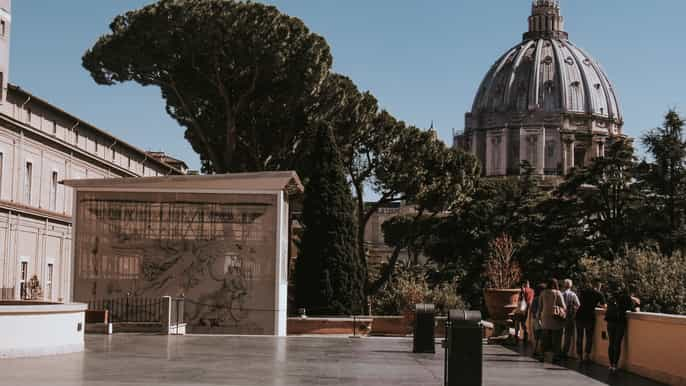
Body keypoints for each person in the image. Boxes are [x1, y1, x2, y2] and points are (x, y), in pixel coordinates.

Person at [605, 287, 640, 372]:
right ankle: (615, 365)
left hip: (610, 322)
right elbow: (633, 309)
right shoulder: (626, 298)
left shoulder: (612, 297)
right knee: (617, 344)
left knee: (611, 343)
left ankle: (610, 364)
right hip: (619, 322)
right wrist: (637, 305)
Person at [536, 278, 567, 363]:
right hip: (555, 319)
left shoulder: (543, 293)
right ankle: (556, 356)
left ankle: (542, 355)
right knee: (556, 339)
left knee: (545, 338)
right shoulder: (558, 293)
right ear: (555, 285)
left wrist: (538, 317)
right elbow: (564, 306)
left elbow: (540, 307)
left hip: (545, 319)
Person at [575, 280, 606, 363]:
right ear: (598, 285)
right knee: (589, 337)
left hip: (579, 315)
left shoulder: (584, 291)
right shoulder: (599, 294)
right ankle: (587, 356)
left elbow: (581, 302)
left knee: (579, 336)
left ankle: (579, 356)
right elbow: (604, 306)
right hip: (589, 316)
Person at [561, 279, 580, 359]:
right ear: (571, 286)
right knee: (568, 335)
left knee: (559, 334)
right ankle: (565, 352)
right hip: (569, 316)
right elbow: (578, 305)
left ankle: (557, 350)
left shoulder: (561, 294)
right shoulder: (573, 295)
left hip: (560, 316)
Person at [530, 283, 546, 358]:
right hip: (542, 319)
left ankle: (534, 350)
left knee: (536, 336)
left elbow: (532, 310)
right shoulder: (543, 298)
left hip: (535, 319)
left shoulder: (535, 299)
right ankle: (539, 351)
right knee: (541, 336)